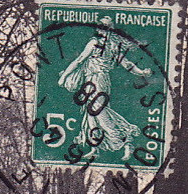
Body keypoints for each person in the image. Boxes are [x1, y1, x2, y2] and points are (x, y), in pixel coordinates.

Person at [57, 16, 152, 161]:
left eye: (104, 27)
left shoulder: (95, 43)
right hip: (97, 80)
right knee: (91, 114)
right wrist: (142, 72)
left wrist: (64, 77)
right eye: (100, 26)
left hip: (96, 80)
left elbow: (79, 60)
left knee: (98, 112)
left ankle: (125, 139)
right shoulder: (113, 46)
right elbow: (127, 64)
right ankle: (95, 147)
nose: (101, 29)